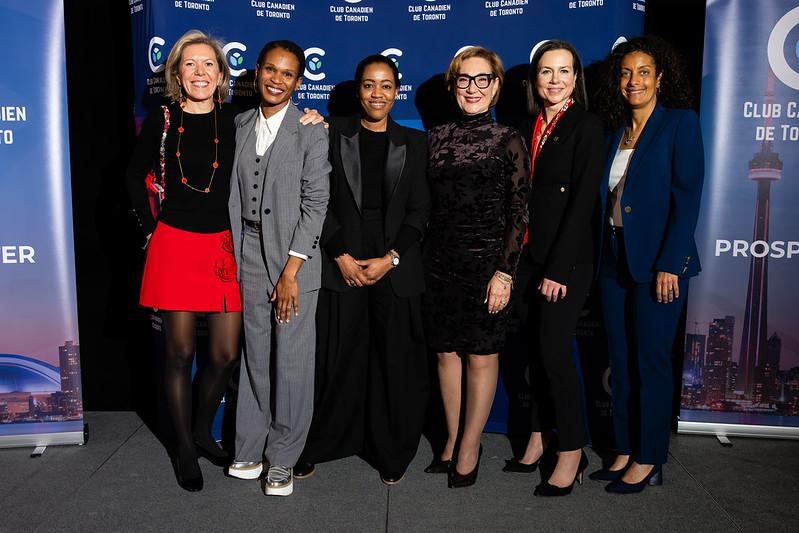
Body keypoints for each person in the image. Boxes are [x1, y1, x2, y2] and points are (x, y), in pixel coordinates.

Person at [295, 55, 430, 485]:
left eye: (386, 86)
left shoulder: (415, 142)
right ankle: (321, 442)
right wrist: (339, 253)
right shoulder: (332, 133)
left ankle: (390, 450)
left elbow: (421, 210)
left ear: (396, 91)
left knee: (393, 361)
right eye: (369, 85)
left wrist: (391, 259)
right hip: (342, 261)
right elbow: (317, 197)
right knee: (337, 358)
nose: (377, 94)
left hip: (394, 264)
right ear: (359, 91)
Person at [125, 30, 240, 492]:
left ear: (220, 73)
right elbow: (135, 176)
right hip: (174, 244)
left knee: (226, 353)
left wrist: (315, 121)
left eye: (208, 64)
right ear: (176, 73)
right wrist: (149, 230)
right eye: (190, 64)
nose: (199, 72)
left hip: (222, 246)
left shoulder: (236, 120)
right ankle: (186, 449)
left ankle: (199, 427)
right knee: (181, 352)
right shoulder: (164, 119)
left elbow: (280, 135)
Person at [592, 35, 704, 493]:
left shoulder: (680, 123)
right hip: (613, 261)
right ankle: (623, 447)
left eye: (643, 72)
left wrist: (670, 263)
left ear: (660, 78)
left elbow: (687, 197)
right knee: (620, 360)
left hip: (659, 265)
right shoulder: (613, 132)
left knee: (651, 362)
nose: (633, 80)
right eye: (625, 72)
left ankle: (650, 457)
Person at [225, 40, 330, 497]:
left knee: (291, 362)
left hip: (294, 260)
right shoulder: (240, 123)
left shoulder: (311, 130)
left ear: (298, 82)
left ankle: (283, 458)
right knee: (254, 354)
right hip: (246, 253)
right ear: (258, 72)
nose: (276, 80)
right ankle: (248, 447)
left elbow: (317, 203)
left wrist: (291, 271)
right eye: (270, 70)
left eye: (287, 74)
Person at [424, 46, 530, 488]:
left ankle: (470, 445)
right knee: (447, 352)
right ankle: (451, 439)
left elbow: (519, 212)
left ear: (496, 86)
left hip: (489, 265)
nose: (472, 88)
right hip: (439, 263)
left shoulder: (509, 138)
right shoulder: (435, 137)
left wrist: (504, 272)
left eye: (482, 79)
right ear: (453, 87)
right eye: (464, 80)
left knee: (481, 357)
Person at [504, 40, 605, 497]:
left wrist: (559, 269)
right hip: (528, 258)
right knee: (533, 355)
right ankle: (539, 436)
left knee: (555, 354)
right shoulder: (525, 126)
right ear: (534, 78)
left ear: (575, 77)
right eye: (547, 71)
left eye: (564, 71)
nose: (555, 80)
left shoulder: (586, 126)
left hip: (565, 262)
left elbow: (584, 200)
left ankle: (572, 450)